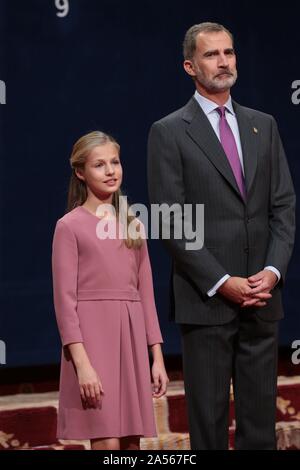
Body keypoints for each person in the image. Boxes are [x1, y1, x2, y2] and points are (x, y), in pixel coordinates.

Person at [147, 22, 296, 450]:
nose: (224, 61)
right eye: (212, 55)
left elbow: (283, 206)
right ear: (190, 66)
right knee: (208, 429)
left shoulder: (262, 125)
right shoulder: (169, 131)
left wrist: (271, 271)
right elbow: (170, 220)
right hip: (207, 301)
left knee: (259, 428)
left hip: (262, 300)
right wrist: (221, 282)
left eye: (229, 52)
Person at [52, 131, 169, 451]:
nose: (110, 171)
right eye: (99, 165)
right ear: (80, 172)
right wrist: (82, 364)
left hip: (130, 342)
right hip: (93, 345)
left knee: (132, 444)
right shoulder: (69, 226)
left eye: (114, 162)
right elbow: (65, 302)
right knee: (107, 441)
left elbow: (146, 295)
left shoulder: (134, 225)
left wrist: (156, 356)